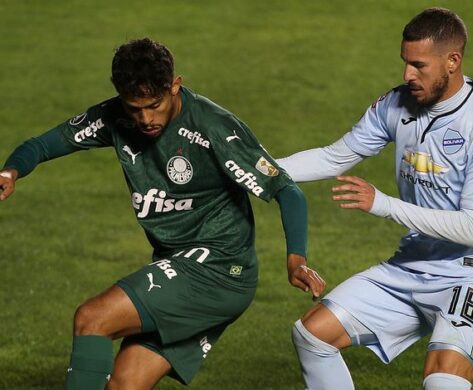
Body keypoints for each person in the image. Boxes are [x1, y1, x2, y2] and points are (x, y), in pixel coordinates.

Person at [0, 37, 325, 389]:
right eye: (134, 108)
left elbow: (288, 191)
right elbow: (45, 143)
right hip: (176, 264)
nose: (145, 119)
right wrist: (11, 171)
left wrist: (296, 261)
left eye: (153, 105)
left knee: (91, 319)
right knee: (123, 384)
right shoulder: (117, 117)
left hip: (217, 270)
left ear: (175, 86)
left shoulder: (214, 127)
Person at [277, 7, 473, 390]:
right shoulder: (396, 104)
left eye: (419, 65)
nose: (407, 75)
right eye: (405, 63)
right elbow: (335, 156)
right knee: (312, 335)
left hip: (471, 272)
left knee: (441, 381)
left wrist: (382, 204)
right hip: (413, 263)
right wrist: (257, 169)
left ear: (453, 61)